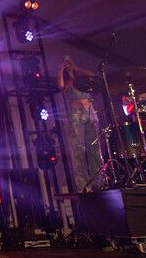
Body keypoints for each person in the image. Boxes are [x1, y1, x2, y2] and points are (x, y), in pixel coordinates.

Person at [58, 56, 102, 191]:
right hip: (76, 114)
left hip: (89, 111)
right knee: (78, 149)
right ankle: (83, 185)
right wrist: (61, 69)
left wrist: (75, 67)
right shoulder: (68, 84)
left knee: (94, 147)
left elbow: (92, 75)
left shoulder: (82, 81)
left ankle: (99, 181)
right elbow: (60, 86)